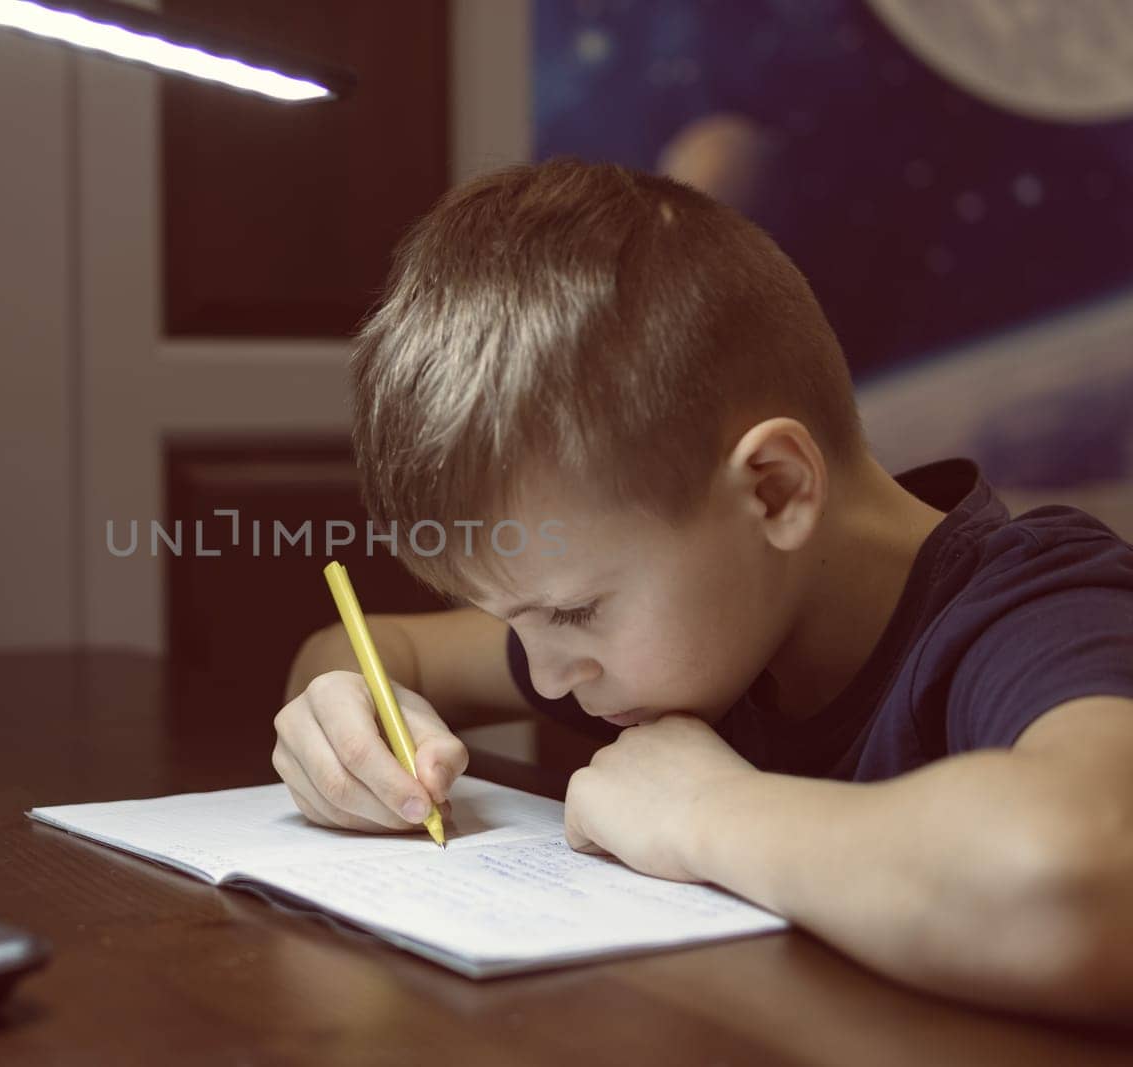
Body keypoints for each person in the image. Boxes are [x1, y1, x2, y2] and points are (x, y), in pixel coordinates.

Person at [272, 159, 1133, 1023]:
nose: (548, 673)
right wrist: (349, 721)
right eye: (515, 620)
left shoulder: (1037, 608)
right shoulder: (696, 619)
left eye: (573, 611)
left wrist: (706, 813)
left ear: (774, 490)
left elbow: (1085, 880)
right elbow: (372, 647)